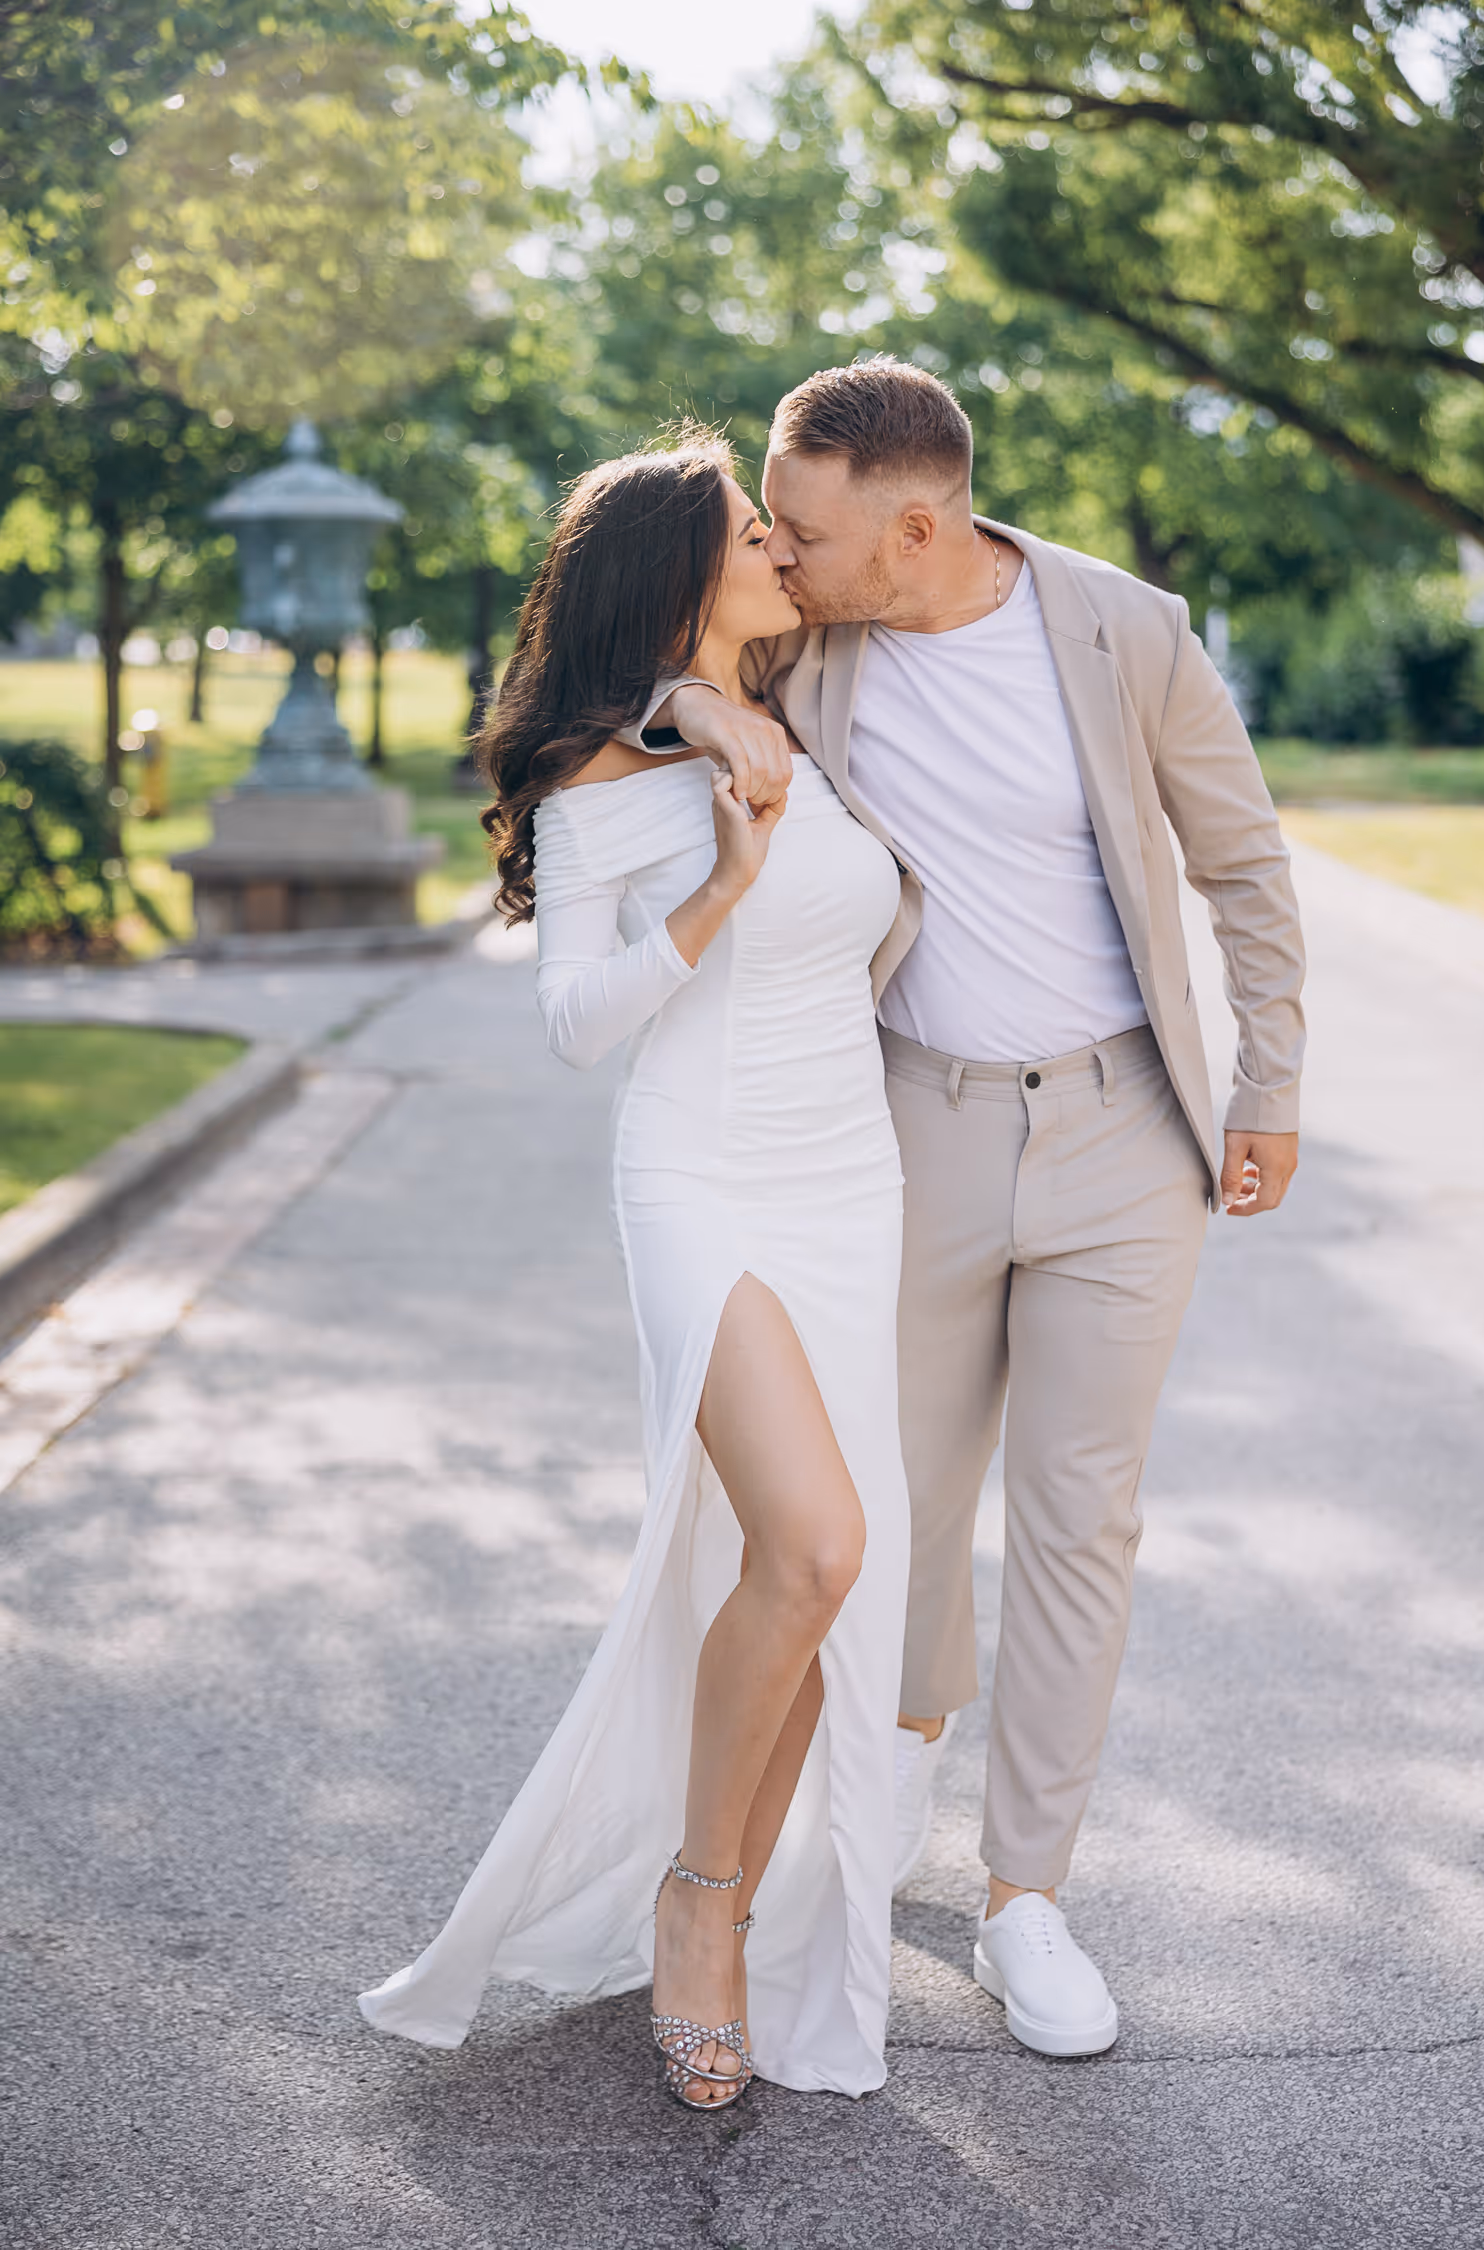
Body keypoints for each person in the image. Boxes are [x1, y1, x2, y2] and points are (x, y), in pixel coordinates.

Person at [625, 359, 1307, 2060]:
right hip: (906, 1126)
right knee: (890, 1510)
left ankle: (1027, 1903)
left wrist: (1270, 1080)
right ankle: (895, 1751)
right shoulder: (811, 628)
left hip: (1121, 1131)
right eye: (773, 528)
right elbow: (620, 660)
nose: (778, 553)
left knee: (1082, 1517)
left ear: (913, 526)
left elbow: (1242, 863)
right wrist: (687, 711)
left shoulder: (1124, 630)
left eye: (805, 527)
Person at [358, 432, 911, 2106]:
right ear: (681, 573)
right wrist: (724, 880)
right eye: (756, 530)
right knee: (815, 1544)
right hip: (699, 1176)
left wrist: (718, 710)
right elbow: (579, 1024)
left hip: (849, 1180)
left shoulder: (814, 711)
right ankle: (698, 1901)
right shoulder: (609, 771)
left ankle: (729, 1892)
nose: (783, 546)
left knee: (817, 1579)